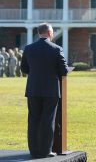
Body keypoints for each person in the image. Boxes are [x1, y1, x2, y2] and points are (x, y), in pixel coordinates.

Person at [21, 23, 68, 158]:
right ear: (49, 33)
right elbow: (64, 70)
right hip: (50, 90)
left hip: (33, 89)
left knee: (33, 120)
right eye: (52, 32)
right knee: (48, 120)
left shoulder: (28, 48)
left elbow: (24, 69)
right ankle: (46, 151)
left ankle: (34, 151)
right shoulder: (57, 49)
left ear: (39, 33)